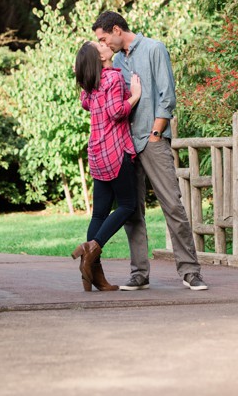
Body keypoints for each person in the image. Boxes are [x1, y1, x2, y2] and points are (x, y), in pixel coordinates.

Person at [91, 11, 208, 291]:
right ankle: (139, 273)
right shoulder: (116, 61)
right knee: (132, 211)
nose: (103, 44)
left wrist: (156, 133)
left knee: (173, 205)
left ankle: (190, 271)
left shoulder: (155, 49)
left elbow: (167, 96)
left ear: (117, 29)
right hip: (125, 147)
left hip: (152, 140)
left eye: (104, 38)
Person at [71, 40, 142, 291]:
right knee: (127, 205)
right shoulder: (112, 78)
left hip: (96, 152)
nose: (104, 45)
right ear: (100, 58)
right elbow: (116, 112)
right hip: (115, 150)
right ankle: (92, 248)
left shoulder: (89, 86)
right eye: (98, 46)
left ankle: (94, 273)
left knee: (99, 213)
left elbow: (87, 103)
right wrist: (134, 96)